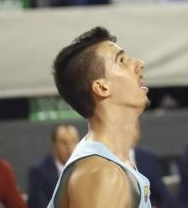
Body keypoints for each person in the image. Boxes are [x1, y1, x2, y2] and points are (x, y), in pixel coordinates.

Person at [46, 27, 152, 207]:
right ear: (102, 88)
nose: (139, 63)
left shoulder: (111, 164)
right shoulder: (101, 173)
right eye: (121, 61)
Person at [28, 125, 80, 208]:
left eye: (74, 142)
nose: (69, 147)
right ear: (53, 145)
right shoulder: (38, 172)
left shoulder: (85, 169)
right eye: (64, 143)